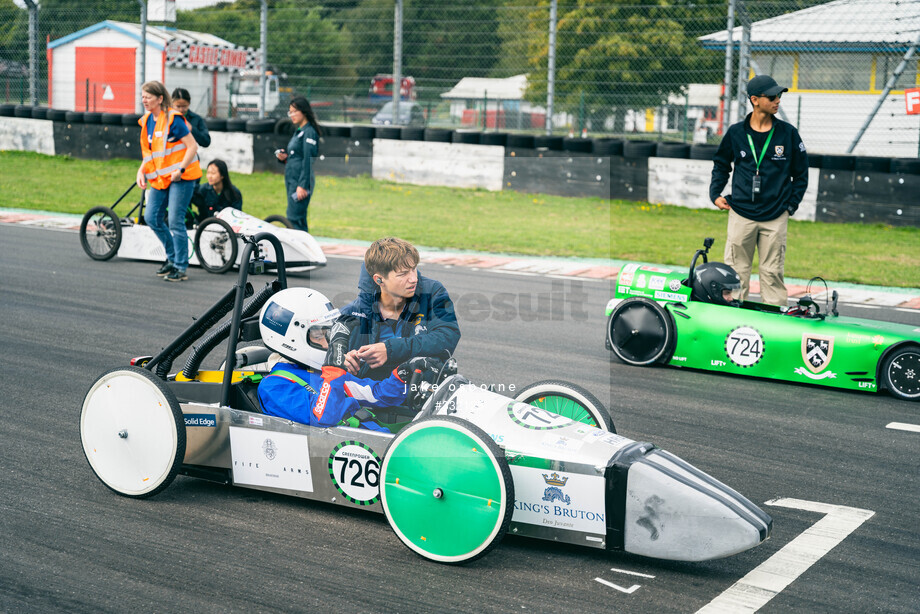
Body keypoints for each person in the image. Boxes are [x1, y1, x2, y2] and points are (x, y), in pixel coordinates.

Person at [256, 288, 437, 431]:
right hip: (348, 450)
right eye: (319, 335)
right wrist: (334, 368)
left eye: (328, 335)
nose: (327, 344)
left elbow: (376, 395)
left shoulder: (321, 373)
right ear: (291, 338)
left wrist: (402, 374)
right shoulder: (274, 386)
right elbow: (323, 417)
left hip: (374, 437)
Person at [709, 74, 809, 306]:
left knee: (772, 273)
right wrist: (715, 194)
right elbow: (721, 165)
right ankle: (733, 319)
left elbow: (801, 175)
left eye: (779, 95)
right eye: (772, 96)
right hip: (741, 213)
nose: (778, 100)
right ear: (755, 100)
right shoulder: (736, 133)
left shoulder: (788, 133)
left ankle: (775, 325)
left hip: (775, 216)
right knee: (735, 274)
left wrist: (790, 206)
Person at [339, 237, 461, 381]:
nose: (413, 278)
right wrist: (342, 360)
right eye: (403, 274)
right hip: (369, 392)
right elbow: (324, 349)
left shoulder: (433, 292)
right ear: (379, 280)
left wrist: (390, 349)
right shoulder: (353, 311)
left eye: (413, 269)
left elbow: (447, 337)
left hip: (419, 389)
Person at [137, 80, 201, 282]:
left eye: (148, 96)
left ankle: (180, 267)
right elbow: (151, 152)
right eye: (143, 96)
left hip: (182, 177)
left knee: (175, 220)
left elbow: (192, 146)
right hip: (160, 178)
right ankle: (172, 258)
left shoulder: (173, 119)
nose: (144, 100)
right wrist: (141, 170)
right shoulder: (147, 121)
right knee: (151, 217)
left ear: (160, 98)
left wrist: (180, 170)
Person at [275, 96, 321, 232]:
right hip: (292, 179)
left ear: (304, 111)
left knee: (294, 219)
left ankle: (302, 251)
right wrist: (284, 157)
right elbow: (296, 157)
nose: (292, 115)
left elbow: (308, 159)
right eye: (290, 112)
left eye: (295, 111)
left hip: (300, 182)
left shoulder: (309, 132)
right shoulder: (299, 131)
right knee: (295, 219)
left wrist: (303, 185)